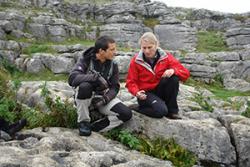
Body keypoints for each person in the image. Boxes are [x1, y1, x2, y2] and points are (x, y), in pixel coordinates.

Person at [68, 36, 132, 136]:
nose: (115, 52)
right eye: (112, 49)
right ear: (101, 51)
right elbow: (72, 79)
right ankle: (83, 122)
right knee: (85, 86)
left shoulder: (113, 65)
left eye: (115, 49)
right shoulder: (86, 59)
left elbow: (115, 87)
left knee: (126, 113)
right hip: (85, 98)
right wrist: (95, 78)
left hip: (102, 98)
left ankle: (95, 127)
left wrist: (105, 99)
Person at [126, 32, 190, 119]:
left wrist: (173, 70)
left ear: (156, 45)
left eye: (150, 47)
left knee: (174, 78)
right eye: (144, 48)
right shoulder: (136, 61)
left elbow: (185, 73)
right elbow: (130, 82)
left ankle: (172, 111)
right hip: (146, 94)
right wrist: (137, 92)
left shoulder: (166, 57)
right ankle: (138, 108)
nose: (147, 51)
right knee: (161, 112)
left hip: (160, 90)